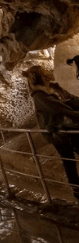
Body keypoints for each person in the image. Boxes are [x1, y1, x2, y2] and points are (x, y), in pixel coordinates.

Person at [26, 67, 79, 197]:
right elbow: (59, 109)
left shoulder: (55, 88)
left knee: (69, 160)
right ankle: (77, 191)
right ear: (41, 76)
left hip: (70, 129)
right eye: (45, 71)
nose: (49, 71)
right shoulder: (39, 95)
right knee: (68, 160)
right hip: (57, 133)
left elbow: (72, 100)